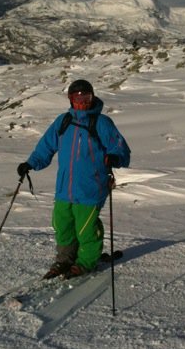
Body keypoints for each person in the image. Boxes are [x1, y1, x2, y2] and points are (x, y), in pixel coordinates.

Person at [17, 79, 130, 280]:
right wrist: (31, 163)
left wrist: (115, 157)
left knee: (86, 229)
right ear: (70, 99)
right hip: (64, 188)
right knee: (62, 226)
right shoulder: (63, 121)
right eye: (77, 98)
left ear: (92, 97)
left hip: (90, 188)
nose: (82, 102)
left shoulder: (101, 123)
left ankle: (86, 261)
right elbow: (46, 146)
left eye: (86, 97)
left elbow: (121, 149)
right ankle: (65, 260)